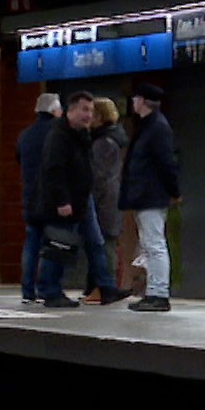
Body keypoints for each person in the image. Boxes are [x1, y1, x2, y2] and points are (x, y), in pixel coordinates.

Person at [35, 92, 121, 308]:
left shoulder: (83, 135)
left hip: (83, 200)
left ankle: (106, 287)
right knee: (58, 246)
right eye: (84, 110)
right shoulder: (58, 136)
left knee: (96, 244)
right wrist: (62, 200)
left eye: (91, 111)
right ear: (70, 110)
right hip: (64, 202)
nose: (88, 115)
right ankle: (50, 291)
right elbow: (54, 171)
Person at [119, 83, 179, 312]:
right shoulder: (150, 126)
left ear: (142, 101)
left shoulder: (156, 127)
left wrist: (173, 191)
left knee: (155, 245)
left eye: (135, 98)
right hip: (145, 196)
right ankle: (153, 291)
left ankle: (159, 293)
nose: (133, 102)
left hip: (151, 195)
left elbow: (166, 162)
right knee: (150, 245)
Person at [15, 94, 62, 304]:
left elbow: (18, 160)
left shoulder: (25, 135)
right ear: (53, 111)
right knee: (52, 245)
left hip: (30, 198)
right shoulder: (58, 134)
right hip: (52, 199)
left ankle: (27, 290)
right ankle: (46, 287)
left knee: (31, 244)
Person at [86, 97, 128, 302]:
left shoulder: (103, 142)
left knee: (104, 244)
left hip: (105, 201)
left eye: (92, 113)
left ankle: (105, 288)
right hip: (112, 197)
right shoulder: (114, 137)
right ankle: (101, 286)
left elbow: (99, 176)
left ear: (100, 117)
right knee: (107, 242)